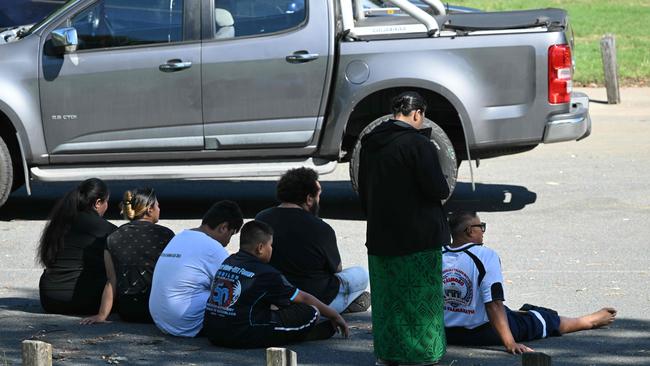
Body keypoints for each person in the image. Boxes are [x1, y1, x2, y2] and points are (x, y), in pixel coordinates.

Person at [358, 91, 450, 365]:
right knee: (420, 301)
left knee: (389, 302)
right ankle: (422, 354)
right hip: (417, 238)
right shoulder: (417, 144)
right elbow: (437, 188)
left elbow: (364, 190)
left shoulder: (370, 143)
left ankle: (388, 353)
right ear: (417, 113)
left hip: (381, 236)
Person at [443, 211, 617, 354]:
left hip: (446, 333)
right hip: (482, 332)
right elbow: (494, 304)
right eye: (481, 227)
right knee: (540, 320)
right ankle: (587, 321)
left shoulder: (438, 254)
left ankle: (524, 312)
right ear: (469, 231)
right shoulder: (485, 256)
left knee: (509, 312)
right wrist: (510, 343)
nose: (483, 230)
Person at [203, 220, 349, 348]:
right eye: (270, 245)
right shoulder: (266, 273)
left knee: (271, 303)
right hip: (241, 335)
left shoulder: (228, 262)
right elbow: (303, 298)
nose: (272, 249)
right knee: (312, 312)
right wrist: (334, 315)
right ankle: (296, 334)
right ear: (260, 248)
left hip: (213, 332)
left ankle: (291, 332)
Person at [256, 167, 370, 314]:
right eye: (318, 195)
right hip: (318, 299)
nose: (319, 200)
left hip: (274, 295)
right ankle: (343, 304)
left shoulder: (261, 218)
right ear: (309, 199)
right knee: (361, 273)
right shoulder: (321, 228)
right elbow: (337, 269)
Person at [148, 200, 244, 337]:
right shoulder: (213, 247)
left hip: (160, 319)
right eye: (231, 234)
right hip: (185, 322)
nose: (228, 242)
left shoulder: (180, 237)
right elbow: (236, 284)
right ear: (223, 227)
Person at [81, 188, 174, 324]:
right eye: (157, 205)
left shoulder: (113, 237)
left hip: (128, 311)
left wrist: (101, 315)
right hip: (158, 309)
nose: (159, 209)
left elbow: (111, 280)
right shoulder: (166, 235)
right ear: (149, 209)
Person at [38, 178, 117, 315]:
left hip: (48, 298)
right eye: (106, 202)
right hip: (80, 299)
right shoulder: (105, 229)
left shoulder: (60, 222)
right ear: (98, 203)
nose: (107, 206)